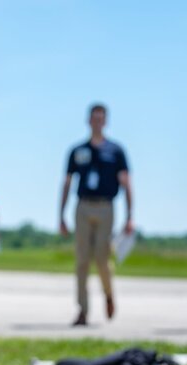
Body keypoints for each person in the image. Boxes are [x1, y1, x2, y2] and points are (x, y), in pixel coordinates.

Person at [59, 103, 134, 326]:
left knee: (102, 258)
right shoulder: (78, 151)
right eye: (94, 118)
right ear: (88, 120)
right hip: (83, 206)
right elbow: (67, 182)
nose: (97, 122)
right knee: (81, 260)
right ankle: (82, 310)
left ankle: (109, 294)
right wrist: (61, 215)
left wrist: (130, 216)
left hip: (106, 207)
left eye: (101, 118)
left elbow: (127, 182)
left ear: (106, 121)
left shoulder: (116, 151)